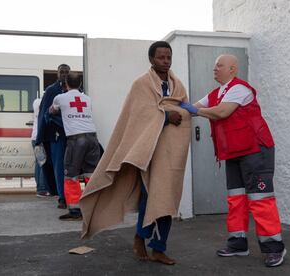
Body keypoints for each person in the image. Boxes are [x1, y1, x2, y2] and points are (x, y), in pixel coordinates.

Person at [79, 41, 191, 265]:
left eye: (169, 57)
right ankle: (141, 237)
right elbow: (138, 115)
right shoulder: (141, 84)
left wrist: (193, 112)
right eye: (161, 57)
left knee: (168, 198)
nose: (166, 61)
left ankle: (159, 248)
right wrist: (166, 116)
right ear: (151, 59)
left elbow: (184, 109)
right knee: (150, 196)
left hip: (170, 153)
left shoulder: (178, 86)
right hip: (147, 152)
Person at [180, 54, 286, 267]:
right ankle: (238, 243)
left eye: (219, 65)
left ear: (233, 69)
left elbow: (221, 112)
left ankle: (275, 248)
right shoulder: (216, 93)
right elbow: (191, 107)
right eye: (214, 65)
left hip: (256, 150)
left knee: (260, 199)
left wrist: (196, 111)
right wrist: (173, 108)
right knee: (236, 199)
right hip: (235, 153)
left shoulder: (240, 88)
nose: (215, 69)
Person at [49, 72, 100, 220]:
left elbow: (52, 110)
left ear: (65, 84)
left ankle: (75, 211)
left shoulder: (60, 97)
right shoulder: (87, 99)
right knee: (91, 174)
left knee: (71, 175)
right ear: (80, 84)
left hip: (76, 140)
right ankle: (93, 209)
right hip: (92, 138)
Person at [35, 64, 70, 209]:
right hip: (56, 136)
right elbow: (44, 114)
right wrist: (40, 138)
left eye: (66, 72)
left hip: (71, 135)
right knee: (58, 167)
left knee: (72, 168)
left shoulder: (75, 91)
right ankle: (62, 197)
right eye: (61, 72)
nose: (64, 75)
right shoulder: (51, 91)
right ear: (57, 73)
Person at [31, 96, 51, 197]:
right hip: (40, 137)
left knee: (39, 163)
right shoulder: (44, 104)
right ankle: (42, 189)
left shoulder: (36, 102)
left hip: (34, 138)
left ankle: (40, 187)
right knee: (43, 162)